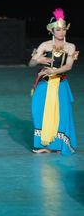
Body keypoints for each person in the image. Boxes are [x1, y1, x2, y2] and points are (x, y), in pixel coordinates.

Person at [29, 8, 78, 155]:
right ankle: (45, 143)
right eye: (58, 30)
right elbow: (30, 63)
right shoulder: (45, 45)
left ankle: (58, 146)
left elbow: (68, 66)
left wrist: (54, 71)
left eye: (63, 29)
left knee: (60, 114)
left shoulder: (70, 47)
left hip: (60, 84)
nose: (61, 32)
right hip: (44, 84)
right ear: (52, 31)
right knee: (38, 111)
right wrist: (38, 60)